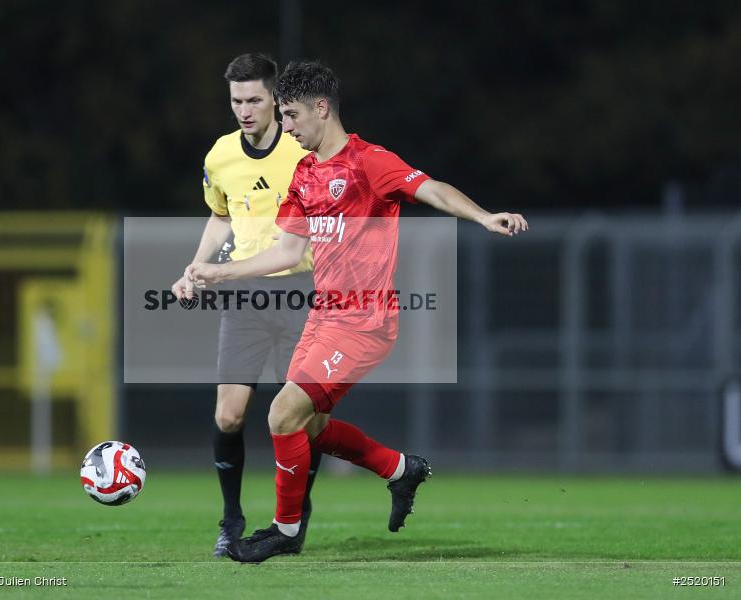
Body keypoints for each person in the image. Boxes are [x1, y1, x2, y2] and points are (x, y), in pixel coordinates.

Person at [186, 60, 528, 563]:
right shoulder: (305, 172)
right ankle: (400, 469)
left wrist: (482, 215)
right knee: (310, 428)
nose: (288, 126)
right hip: (324, 316)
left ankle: (284, 530)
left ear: (321, 109)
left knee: (282, 415)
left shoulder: (368, 161)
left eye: (293, 115)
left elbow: (429, 188)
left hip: (365, 321)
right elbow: (285, 252)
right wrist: (218, 271)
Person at [170, 53, 322, 557]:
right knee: (230, 416)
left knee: (302, 416)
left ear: (276, 100)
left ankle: (293, 520)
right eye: (237, 100)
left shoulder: (304, 150)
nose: (245, 110)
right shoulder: (220, 155)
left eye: (255, 99)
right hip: (245, 300)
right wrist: (195, 266)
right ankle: (231, 519)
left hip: (303, 293)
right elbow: (220, 216)